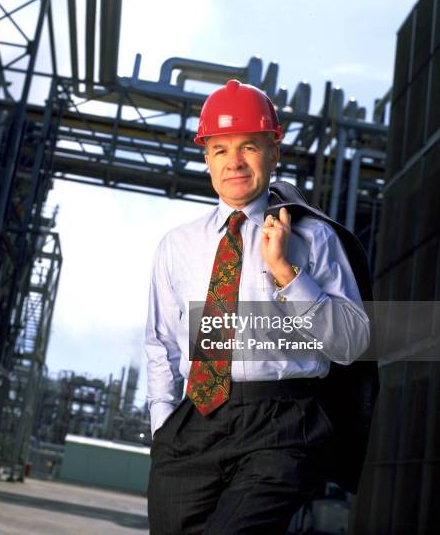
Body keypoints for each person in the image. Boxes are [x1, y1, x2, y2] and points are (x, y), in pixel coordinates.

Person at [145, 79, 370, 534]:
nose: (234, 163)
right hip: (197, 420)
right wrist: (164, 428)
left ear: (274, 149)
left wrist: (287, 272)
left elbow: (353, 343)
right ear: (206, 158)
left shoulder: (314, 238)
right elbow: (162, 344)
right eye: (221, 149)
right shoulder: (178, 246)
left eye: (249, 146)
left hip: (283, 423)